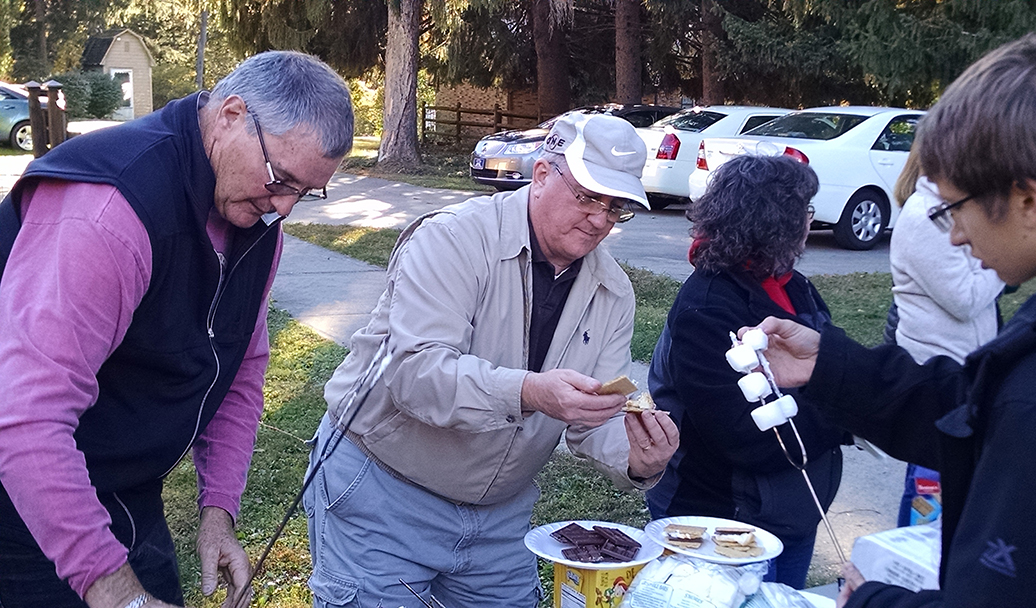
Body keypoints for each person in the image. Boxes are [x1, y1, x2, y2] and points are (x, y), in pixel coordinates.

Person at [0, 51, 353, 608]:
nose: (282, 208)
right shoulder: (109, 212)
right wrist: (115, 591)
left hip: (125, 488)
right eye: (280, 179)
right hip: (23, 497)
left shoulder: (256, 218)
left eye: (304, 193)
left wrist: (217, 512)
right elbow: (25, 418)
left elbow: (239, 369)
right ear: (232, 115)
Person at [741, 35, 1036, 608]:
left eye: (955, 209)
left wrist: (873, 600)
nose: (954, 234)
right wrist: (830, 365)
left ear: (1028, 201)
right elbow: (973, 410)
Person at [303, 112, 679, 608]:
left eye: (617, 208)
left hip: (500, 519)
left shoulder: (613, 291)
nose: (599, 220)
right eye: (588, 196)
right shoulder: (452, 239)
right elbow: (416, 373)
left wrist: (636, 457)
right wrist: (529, 391)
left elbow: (593, 417)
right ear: (542, 174)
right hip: (382, 492)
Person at [645, 154, 846, 589]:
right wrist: (845, 409)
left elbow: (831, 361)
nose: (810, 221)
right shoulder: (708, 306)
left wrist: (837, 388)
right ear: (775, 222)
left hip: (791, 514)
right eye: (804, 212)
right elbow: (746, 436)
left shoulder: (794, 286)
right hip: (726, 523)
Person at [888, 141, 1005, 527]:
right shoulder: (926, 217)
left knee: (958, 493)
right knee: (931, 496)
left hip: (964, 374)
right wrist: (1002, 259)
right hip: (936, 381)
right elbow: (966, 299)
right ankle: (913, 573)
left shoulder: (955, 210)